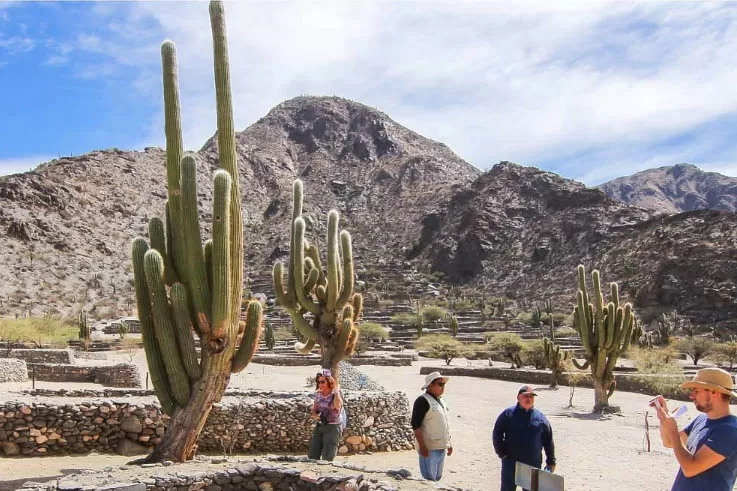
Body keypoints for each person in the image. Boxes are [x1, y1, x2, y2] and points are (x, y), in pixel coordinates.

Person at [653, 367, 737, 491]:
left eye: (696, 391)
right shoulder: (701, 419)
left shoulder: (730, 431)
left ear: (714, 392)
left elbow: (690, 469)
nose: (691, 396)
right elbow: (669, 442)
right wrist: (664, 418)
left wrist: (673, 430)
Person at [492, 385, 556, 491]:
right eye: (525, 396)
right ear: (518, 398)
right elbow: (497, 433)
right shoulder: (508, 414)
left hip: (532, 463)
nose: (528, 399)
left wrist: (551, 461)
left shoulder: (540, 418)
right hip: (511, 462)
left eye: (531, 396)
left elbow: (548, 441)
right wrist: (501, 453)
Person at [411, 371, 453, 481]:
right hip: (429, 449)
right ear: (430, 385)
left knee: (437, 479)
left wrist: (449, 443)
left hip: (441, 448)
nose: (443, 387)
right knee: (429, 480)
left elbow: (443, 424)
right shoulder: (422, 401)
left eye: (444, 384)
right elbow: (416, 425)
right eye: (440, 384)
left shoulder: (441, 401)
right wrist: (423, 447)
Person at [308, 369, 343, 461]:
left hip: (332, 427)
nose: (320, 384)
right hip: (320, 425)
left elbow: (337, 406)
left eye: (322, 382)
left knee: (328, 457)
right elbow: (314, 408)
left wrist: (336, 391)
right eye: (318, 382)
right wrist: (315, 415)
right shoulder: (318, 394)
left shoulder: (336, 394)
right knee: (313, 454)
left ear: (329, 381)